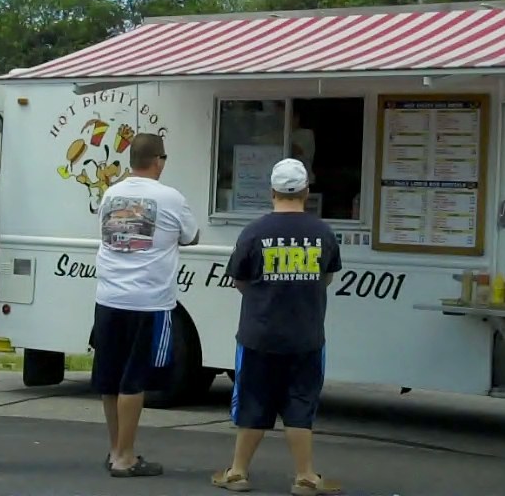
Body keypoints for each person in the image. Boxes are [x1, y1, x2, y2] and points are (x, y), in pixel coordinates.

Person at [211, 158, 343, 496]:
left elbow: (239, 279)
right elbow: (326, 278)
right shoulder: (322, 233)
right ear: (306, 192)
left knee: (253, 402)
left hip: (258, 335)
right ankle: (305, 476)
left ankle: (238, 472)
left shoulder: (254, 232)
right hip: (306, 336)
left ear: (271, 192)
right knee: (301, 404)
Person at [90, 132, 199, 478]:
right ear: (158, 161)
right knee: (134, 380)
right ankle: (125, 457)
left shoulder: (110, 193)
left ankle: (115, 449)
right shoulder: (171, 198)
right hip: (149, 301)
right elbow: (191, 236)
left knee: (110, 379)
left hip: (108, 297)